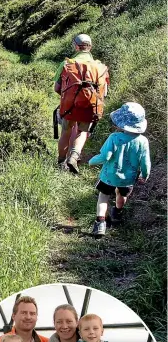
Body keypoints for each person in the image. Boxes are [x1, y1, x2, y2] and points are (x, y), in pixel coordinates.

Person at [89, 102, 151, 236]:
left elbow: (105, 156)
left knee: (103, 197)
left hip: (108, 175)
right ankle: (117, 213)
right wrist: (144, 175)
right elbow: (145, 162)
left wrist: (92, 161)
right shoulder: (143, 142)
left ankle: (100, 224)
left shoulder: (114, 137)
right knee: (122, 195)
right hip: (127, 179)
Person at [54, 34, 109, 173]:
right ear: (90, 47)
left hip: (69, 107)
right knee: (82, 132)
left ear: (76, 46)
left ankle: (61, 163)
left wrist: (70, 97)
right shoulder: (100, 67)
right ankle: (74, 156)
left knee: (65, 132)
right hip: (90, 107)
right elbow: (104, 93)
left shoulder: (67, 64)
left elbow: (57, 88)